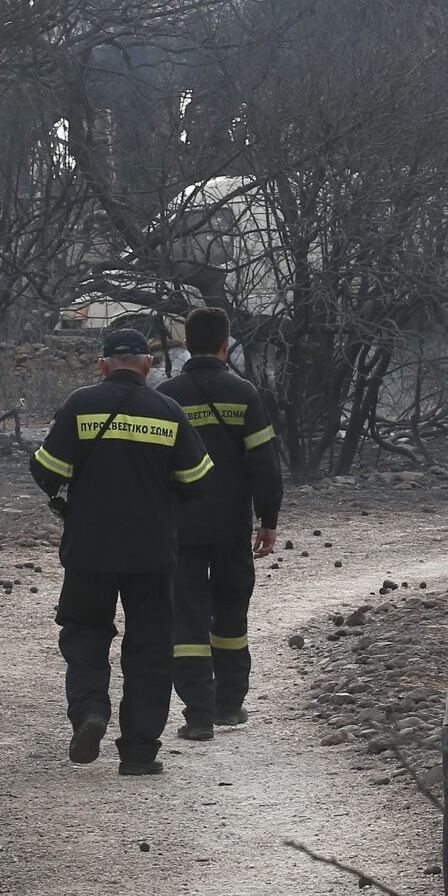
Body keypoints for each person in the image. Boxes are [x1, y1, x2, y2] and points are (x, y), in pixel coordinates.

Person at [30, 327, 212, 776]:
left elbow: (47, 470)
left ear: (103, 365)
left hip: (89, 548)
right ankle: (139, 752)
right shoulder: (168, 411)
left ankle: (90, 711)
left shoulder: (80, 404)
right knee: (150, 648)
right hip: (152, 551)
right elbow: (196, 480)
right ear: (148, 366)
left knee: (85, 633)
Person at [155, 307, 282, 741]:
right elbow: (263, 462)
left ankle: (198, 714)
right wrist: (268, 518)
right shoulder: (244, 394)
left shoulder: (167, 397)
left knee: (186, 618)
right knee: (231, 612)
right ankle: (229, 703)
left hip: (181, 527)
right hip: (231, 525)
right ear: (226, 345)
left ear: (186, 344)